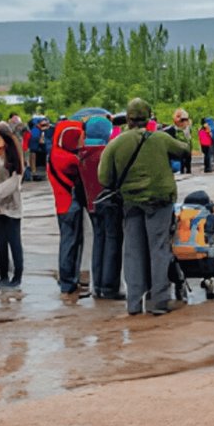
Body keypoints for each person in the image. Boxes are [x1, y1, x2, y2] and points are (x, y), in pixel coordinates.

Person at [97, 98, 186, 316]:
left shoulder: (116, 143)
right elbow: (184, 150)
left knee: (133, 252)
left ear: (127, 118)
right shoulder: (160, 139)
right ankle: (158, 301)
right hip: (160, 201)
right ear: (149, 118)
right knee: (158, 249)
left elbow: (104, 178)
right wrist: (182, 128)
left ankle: (134, 303)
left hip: (131, 203)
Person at [77, 116, 124, 300]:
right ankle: (109, 286)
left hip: (91, 203)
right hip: (110, 202)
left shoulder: (82, 153)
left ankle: (97, 285)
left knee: (98, 241)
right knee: (113, 242)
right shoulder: (105, 152)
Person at [170, 189, 214, 299]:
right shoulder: (210, 217)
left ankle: (180, 284)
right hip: (207, 265)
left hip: (178, 266)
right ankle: (210, 283)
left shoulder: (176, 217)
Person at [48, 119, 88, 299]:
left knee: (68, 241)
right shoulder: (70, 159)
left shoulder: (54, 154)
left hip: (61, 205)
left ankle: (69, 278)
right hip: (71, 204)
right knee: (71, 243)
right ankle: (68, 280)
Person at [0, 122, 25, 290]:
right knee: (0, 242)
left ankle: (17, 276)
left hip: (11, 204)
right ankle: (3, 276)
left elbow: (15, 181)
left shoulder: (13, 157)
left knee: (14, 241)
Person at [166, 109, 194, 175]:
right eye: (183, 120)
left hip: (186, 149)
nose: (184, 122)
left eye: (185, 120)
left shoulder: (188, 129)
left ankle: (187, 171)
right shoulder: (172, 130)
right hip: (179, 151)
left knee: (187, 162)